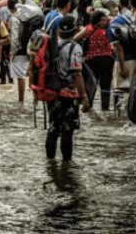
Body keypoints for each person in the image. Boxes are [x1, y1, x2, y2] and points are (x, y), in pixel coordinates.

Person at [46, 16, 90, 161]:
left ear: (59, 31)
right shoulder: (75, 47)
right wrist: (84, 97)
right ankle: (66, 166)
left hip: (52, 92)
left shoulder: (53, 45)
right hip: (68, 94)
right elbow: (77, 74)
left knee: (52, 128)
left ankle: (50, 162)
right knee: (67, 130)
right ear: (76, 30)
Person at [75, 10, 114, 111]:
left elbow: (75, 38)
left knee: (90, 84)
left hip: (90, 61)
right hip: (106, 60)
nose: (106, 20)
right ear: (100, 20)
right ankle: (105, 109)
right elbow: (114, 19)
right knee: (105, 85)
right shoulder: (109, 28)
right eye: (104, 19)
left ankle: (89, 107)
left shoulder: (88, 28)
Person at [7, 0, 28, 102]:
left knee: (20, 76)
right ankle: (35, 99)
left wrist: (12, 51)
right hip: (27, 47)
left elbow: (14, 37)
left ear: (9, 7)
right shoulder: (24, 16)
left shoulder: (14, 18)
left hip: (19, 49)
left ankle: (21, 100)